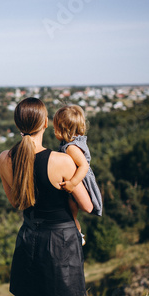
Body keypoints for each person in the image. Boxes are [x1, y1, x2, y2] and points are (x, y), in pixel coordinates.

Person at [0, 97, 93, 296]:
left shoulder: (4, 158)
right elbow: (87, 206)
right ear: (45, 123)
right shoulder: (62, 161)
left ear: (17, 125)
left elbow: (16, 201)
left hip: (28, 237)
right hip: (62, 243)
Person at [53, 105, 103, 246]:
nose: (54, 132)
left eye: (55, 128)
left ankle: (78, 234)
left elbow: (84, 166)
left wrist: (73, 183)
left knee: (71, 210)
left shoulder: (71, 148)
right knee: (71, 210)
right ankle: (78, 232)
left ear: (64, 130)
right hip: (76, 177)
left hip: (80, 179)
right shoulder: (70, 144)